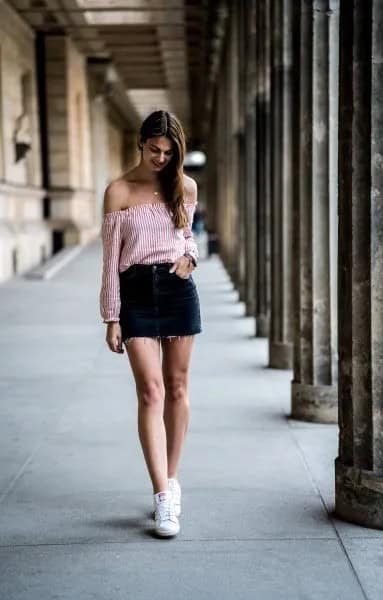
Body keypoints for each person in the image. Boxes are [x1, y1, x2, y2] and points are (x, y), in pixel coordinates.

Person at [99, 110, 202, 538]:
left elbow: (188, 237)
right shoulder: (118, 191)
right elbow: (109, 263)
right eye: (154, 149)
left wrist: (190, 257)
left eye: (168, 151)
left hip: (178, 289)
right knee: (150, 391)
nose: (161, 158)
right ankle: (161, 497)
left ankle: (171, 479)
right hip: (136, 292)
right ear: (140, 143)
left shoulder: (185, 186)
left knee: (177, 387)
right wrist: (111, 316)